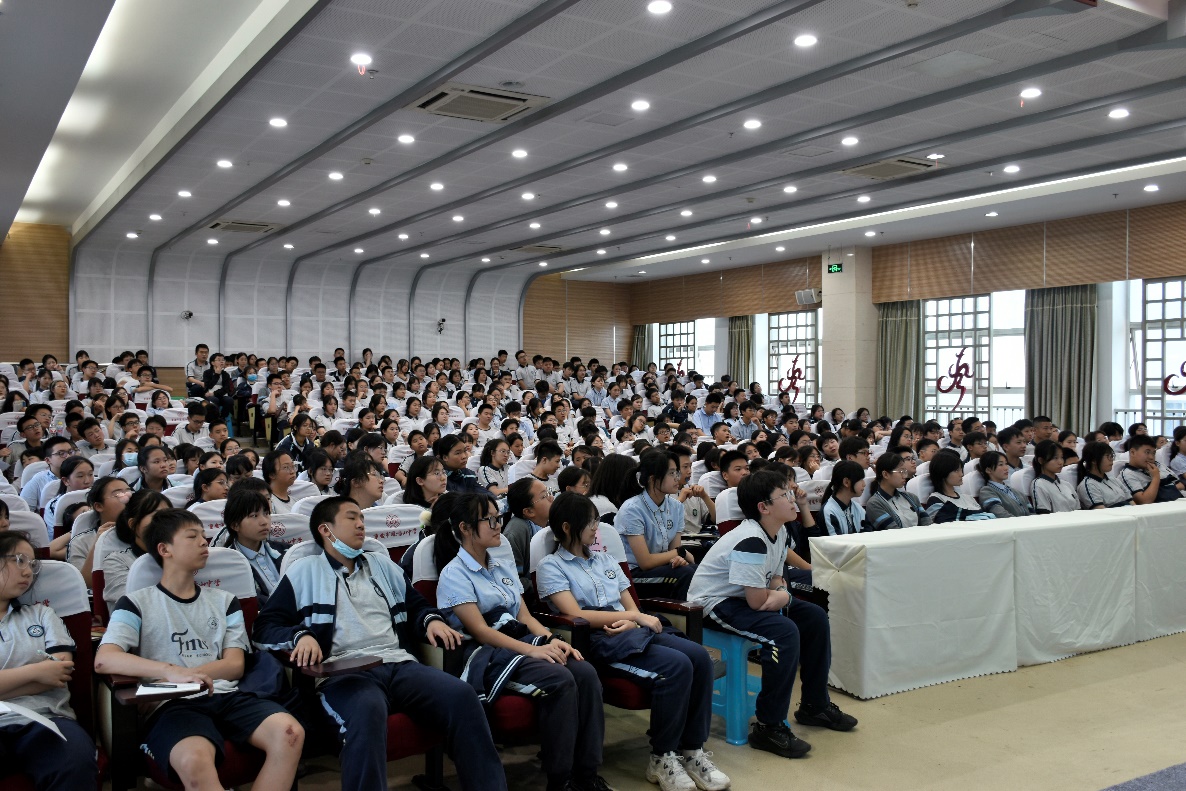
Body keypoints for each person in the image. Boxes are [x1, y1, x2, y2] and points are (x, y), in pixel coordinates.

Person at [253, 496, 505, 791]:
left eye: (361, 517)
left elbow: (416, 607)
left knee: (462, 696)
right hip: (345, 675)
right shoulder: (303, 572)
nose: (361, 524)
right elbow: (264, 627)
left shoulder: (382, 565)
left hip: (398, 664)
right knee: (367, 712)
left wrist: (432, 620)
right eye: (351, 518)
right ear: (325, 529)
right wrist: (301, 635)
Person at [96, 509, 305, 790]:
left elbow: (234, 664)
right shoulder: (135, 603)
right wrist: (170, 673)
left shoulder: (224, 600)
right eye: (192, 537)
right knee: (195, 761)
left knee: (290, 733)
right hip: (173, 705)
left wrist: (186, 674)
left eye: (205, 537)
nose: (204, 543)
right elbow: (105, 659)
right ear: (164, 549)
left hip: (227, 695)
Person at [538, 492, 729, 791]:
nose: (596, 528)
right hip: (600, 640)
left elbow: (630, 605)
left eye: (597, 520)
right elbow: (574, 614)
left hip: (629, 628)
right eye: (590, 521)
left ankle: (692, 750)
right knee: (676, 666)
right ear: (566, 526)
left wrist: (632, 618)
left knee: (699, 658)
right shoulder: (551, 566)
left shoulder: (606, 559)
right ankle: (662, 757)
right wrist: (634, 618)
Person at [435, 493, 610, 791]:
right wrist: (534, 650)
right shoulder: (454, 574)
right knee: (560, 679)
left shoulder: (501, 566)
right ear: (465, 528)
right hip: (488, 654)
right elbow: (481, 632)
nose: (497, 525)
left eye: (497, 517)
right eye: (488, 519)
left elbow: (525, 617)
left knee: (585, 672)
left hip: (520, 642)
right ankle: (560, 780)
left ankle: (587, 773)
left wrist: (551, 640)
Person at [688, 470, 857, 760]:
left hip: (747, 597)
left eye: (791, 494)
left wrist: (781, 593)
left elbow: (777, 578)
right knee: (783, 632)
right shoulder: (750, 540)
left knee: (814, 617)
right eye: (785, 496)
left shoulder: (779, 532)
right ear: (763, 507)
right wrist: (782, 595)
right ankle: (769, 726)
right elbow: (757, 602)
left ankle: (814, 705)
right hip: (714, 604)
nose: (794, 501)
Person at [0, 530, 100, 790]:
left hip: (46, 718)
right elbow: (44, 674)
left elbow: (58, 674)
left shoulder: (42, 614)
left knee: (75, 761)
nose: (27, 572)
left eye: (32, 565)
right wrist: (35, 673)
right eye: (19, 560)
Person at [615, 450, 696, 600]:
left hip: (661, 569)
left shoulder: (676, 506)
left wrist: (679, 556)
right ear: (653, 479)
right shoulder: (632, 509)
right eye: (672, 473)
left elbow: (675, 550)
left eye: (677, 473)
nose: (677, 478)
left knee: (697, 571)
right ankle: (686, 620)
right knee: (685, 575)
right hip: (633, 576)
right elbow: (645, 562)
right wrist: (680, 553)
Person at [101, 489, 170, 611]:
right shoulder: (117, 561)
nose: (166, 523)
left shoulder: (180, 554)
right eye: (157, 516)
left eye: (169, 515)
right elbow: (133, 605)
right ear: (133, 524)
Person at [220, 487, 285, 604]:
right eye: (254, 516)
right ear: (235, 525)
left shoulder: (286, 551)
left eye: (266, 513)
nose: (264, 521)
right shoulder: (229, 564)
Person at [864, 453, 931, 530]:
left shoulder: (912, 498)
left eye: (905, 472)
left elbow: (928, 525)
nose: (904, 476)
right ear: (885, 474)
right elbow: (894, 532)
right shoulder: (875, 504)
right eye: (901, 472)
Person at [924, 451, 993, 523]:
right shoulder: (936, 499)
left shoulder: (968, 498)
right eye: (957, 471)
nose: (961, 474)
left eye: (961, 469)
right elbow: (944, 524)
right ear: (943, 472)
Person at [1118, 434, 1183, 504]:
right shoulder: (1128, 474)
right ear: (1132, 452)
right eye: (1147, 452)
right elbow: (1145, 501)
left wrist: (1156, 491)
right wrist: (1156, 478)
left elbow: (1181, 485)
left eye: (1153, 453)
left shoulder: (1158, 465)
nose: (1151, 457)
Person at [1076, 441, 1134, 509]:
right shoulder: (1088, 485)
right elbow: (1101, 512)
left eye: (1112, 456)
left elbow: (1132, 504)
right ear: (1094, 460)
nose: (1111, 459)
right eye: (1107, 456)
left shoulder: (1115, 480)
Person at [976, 451, 1031, 518]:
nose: (1006, 468)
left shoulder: (1017, 492)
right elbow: (1000, 514)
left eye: (1006, 464)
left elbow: (1032, 513)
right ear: (988, 470)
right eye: (1001, 465)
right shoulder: (987, 491)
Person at [1029, 440, 1078, 514]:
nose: (1060, 462)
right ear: (1041, 460)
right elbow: (1044, 514)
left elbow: (1078, 510)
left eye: (1061, 457)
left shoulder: (1066, 485)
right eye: (1055, 458)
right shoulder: (1039, 484)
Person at [819, 460, 866, 536]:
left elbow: (868, 533)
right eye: (860, 480)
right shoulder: (829, 511)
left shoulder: (858, 508)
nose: (864, 484)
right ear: (846, 482)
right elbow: (835, 544)